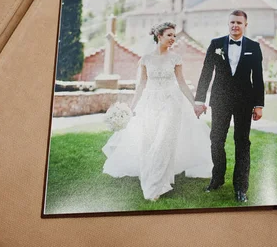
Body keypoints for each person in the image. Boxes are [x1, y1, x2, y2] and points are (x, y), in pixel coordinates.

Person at [102, 22, 212, 201]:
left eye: (174, 36)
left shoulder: (175, 58)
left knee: (164, 140)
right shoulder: (145, 59)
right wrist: (131, 107)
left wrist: (194, 104)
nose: (173, 39)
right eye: (169, 35)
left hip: (171, 103)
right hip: (150, 103)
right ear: (159, 36)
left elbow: (182, 83)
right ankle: (154, 177)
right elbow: (141, 85)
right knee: (149, 142)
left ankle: (155, 185)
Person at [194, 10, 265, 203]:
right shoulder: (215, 44)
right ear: (228, 24)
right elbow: (206, 72)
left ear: (245, 25)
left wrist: (259, 105)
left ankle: (241, 187)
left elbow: (258, 78)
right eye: (232, 22)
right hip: (221, 100)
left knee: (242, 143)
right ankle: (217, 179)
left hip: (245, 101)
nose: (235, 25)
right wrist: (199, 100)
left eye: (239, 23)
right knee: (216, 140)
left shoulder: (254, 47)